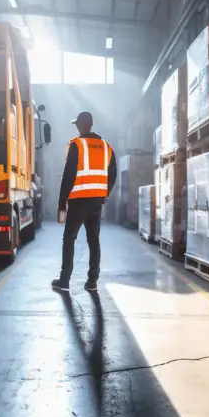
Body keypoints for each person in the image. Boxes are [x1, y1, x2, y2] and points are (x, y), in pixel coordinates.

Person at [52, 111, 117, 293]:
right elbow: (112, 174)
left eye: (77, 124)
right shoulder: (106, 147)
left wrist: (61, 203)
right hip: (96, 202)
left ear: (82, 125)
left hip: (78, 201)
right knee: (93, 240)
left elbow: (68, 175)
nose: (77, 127)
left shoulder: (76, 145)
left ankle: (64, 280)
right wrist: (103, 193)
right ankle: (92, 281)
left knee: (69, 238)